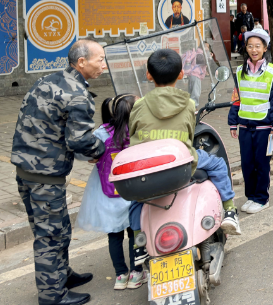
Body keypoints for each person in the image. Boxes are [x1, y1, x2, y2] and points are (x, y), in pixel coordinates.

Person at [12, 39, 107, 305]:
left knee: (59, 230)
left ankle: (61, 276)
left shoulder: (47, 80)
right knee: (50, 237)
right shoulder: (77, 94)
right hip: (45, 176)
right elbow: (80, 141)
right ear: (81, 62)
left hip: (25, 170)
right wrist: (103, 150)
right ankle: (52, 295)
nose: (103, 64)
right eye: (99, 59)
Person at [128, 49, 240, 262]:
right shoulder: (188, 104)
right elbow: (189, 135)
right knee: (216, 164)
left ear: (148, 75)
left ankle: (138, 241)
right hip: (182, 165)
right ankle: (230, 210)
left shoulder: (139, 105)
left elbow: (132, 131)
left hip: (149, 168)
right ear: (181, 75)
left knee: (136, 199)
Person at [76, 95, 147, 291]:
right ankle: (136, 273)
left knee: (114, 235)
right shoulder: (136, 131)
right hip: (132, 191)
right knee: (134, 232)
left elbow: (82, 151)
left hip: (107, 192)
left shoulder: (102, 132)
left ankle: (120, 275)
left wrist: (93, 156)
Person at [229, 29, 273, 214]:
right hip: (244, 126)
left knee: (262, 163)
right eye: (250, 46)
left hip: (264, 127)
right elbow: (237, 99)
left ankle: (262, 198)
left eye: (257, 46)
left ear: (265, 48)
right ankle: (251, 196)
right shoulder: (239, 71)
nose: (253, 50)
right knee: (247, 164)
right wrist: (232, 122)